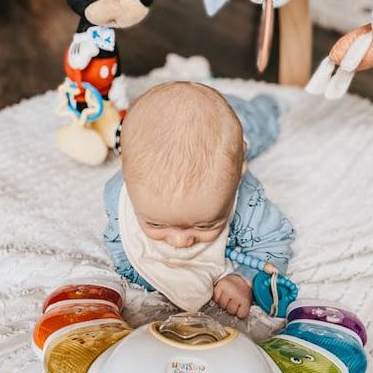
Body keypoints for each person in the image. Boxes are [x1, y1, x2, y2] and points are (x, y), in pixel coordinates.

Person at [103, 81, 294, 319]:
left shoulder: (245, 198)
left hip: (242, 125)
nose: (181, 241)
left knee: (253, 126)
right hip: (172, 125)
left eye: (204, 225)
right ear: (124, 171)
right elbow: (120, 243)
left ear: (239, 172)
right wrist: (143, 273)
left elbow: (273, 243)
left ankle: (266, 105)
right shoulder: (120, 195)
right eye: (156, 224)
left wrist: (244, 279)